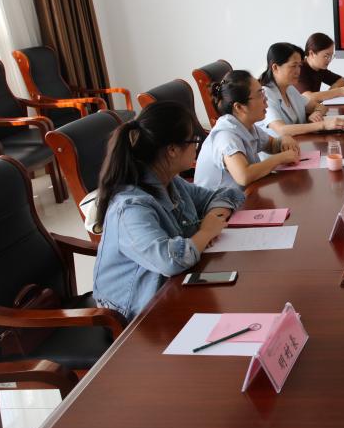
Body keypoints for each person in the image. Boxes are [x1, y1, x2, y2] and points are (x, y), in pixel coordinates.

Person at [92, 102, 245, 322]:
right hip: (135, 313)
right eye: (194, 141)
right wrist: (205, 233)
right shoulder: (131, 207)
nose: (197, 148)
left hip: (175, 286)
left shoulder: (169, 181)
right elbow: (169, 261)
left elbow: (227, 194)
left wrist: (213, 219)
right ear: (172, 150)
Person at [194, 70, 302, 190]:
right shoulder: (226, 136)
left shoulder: (246, 125)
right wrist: (281, 158)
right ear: (239, 107)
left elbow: (271, 144)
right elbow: (243, 176)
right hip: (219, 200)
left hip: (243, 194)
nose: (266, 99)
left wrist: (284, 140)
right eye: (260, 94)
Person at [258, 42, 344, 137]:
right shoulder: (265, 94)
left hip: (298, 143)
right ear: (275, 67)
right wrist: (323, 125)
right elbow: (282, 130)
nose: (298, 71)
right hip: (279, 146)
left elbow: (320, 107)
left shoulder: (290, 89)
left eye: (299, 66)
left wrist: (317, 114)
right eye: (293, 66)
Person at [295, 32, 344, 103]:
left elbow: (342, 80)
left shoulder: (320, 68)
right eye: (326, 56)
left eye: (331, 56)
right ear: (311, 53)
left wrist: (331, 92)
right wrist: (340, 92)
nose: (329, 60)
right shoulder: (299, 68)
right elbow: (308, 98)